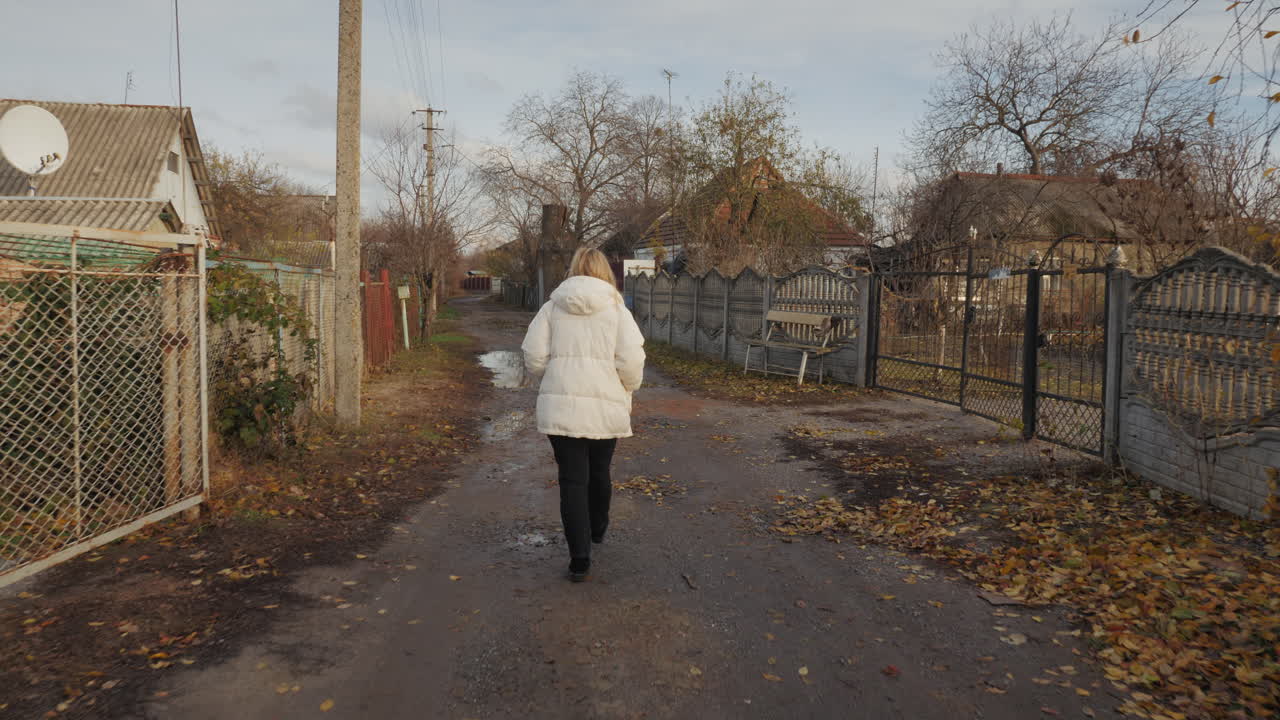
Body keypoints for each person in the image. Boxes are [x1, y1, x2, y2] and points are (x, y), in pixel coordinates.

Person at [521, 247, 646, 582]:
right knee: (600, 470)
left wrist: (553, 375)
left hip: (561, 407)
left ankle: (579, 560)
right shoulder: (617, 310)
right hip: (606, 405)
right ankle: (598, 526)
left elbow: (533, 354)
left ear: (574, 269)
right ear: (606, 271)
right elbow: (632, 360)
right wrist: (627, 387)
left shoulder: (552, 307)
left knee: (572, 480)